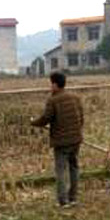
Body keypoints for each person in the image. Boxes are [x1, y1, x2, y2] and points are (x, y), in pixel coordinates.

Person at [30, 71, 84, 207]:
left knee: (61, 170)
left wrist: (33, 122)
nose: (50, 87)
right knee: (74, 168)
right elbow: (81, 118)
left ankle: (63, 200)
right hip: (76, 139)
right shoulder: (75, 97)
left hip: (61, 142)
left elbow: (46, 119)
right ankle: (73, 198)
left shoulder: (53, 100)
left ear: (55, 84)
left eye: (51, 84)